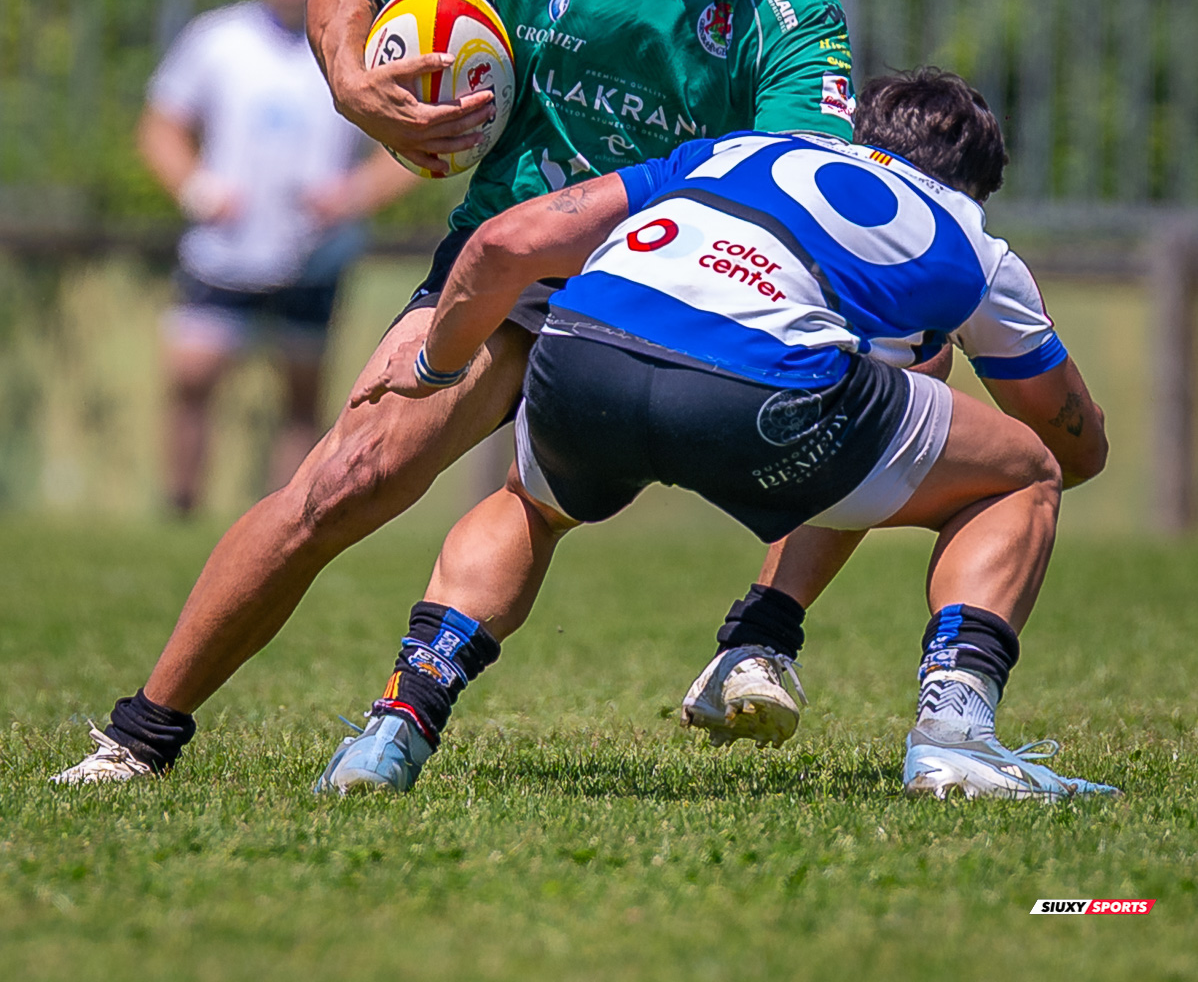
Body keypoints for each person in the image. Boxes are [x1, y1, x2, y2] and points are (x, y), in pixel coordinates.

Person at [52, 0, 860, 786]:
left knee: (876, 376)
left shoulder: (790, 3)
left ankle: (764, 633)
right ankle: (140, 738)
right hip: (501, 275)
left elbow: (792, 187)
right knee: (344, 482)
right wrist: (357, 92)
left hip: (671, 299)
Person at [315, 70, 1114, 803]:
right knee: (1019, 472)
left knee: (530, 504)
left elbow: (501, 243)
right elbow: (1072, 446)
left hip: (586, 350)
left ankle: (396, 726)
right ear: (978, 186)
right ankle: (956, 738)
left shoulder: (741, 150)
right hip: (758, 393)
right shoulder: (971, 239)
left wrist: (433, 362)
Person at [139, 0, 419, 514]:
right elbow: (160, 127)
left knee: (300, 392)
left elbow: (411, 145)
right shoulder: (217, 38)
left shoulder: (357, 41)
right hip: (226, 247)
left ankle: (279, 514)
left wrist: (352, 195)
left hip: (312, 252)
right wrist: (197, 189)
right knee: (193, 375)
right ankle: (179, 506)